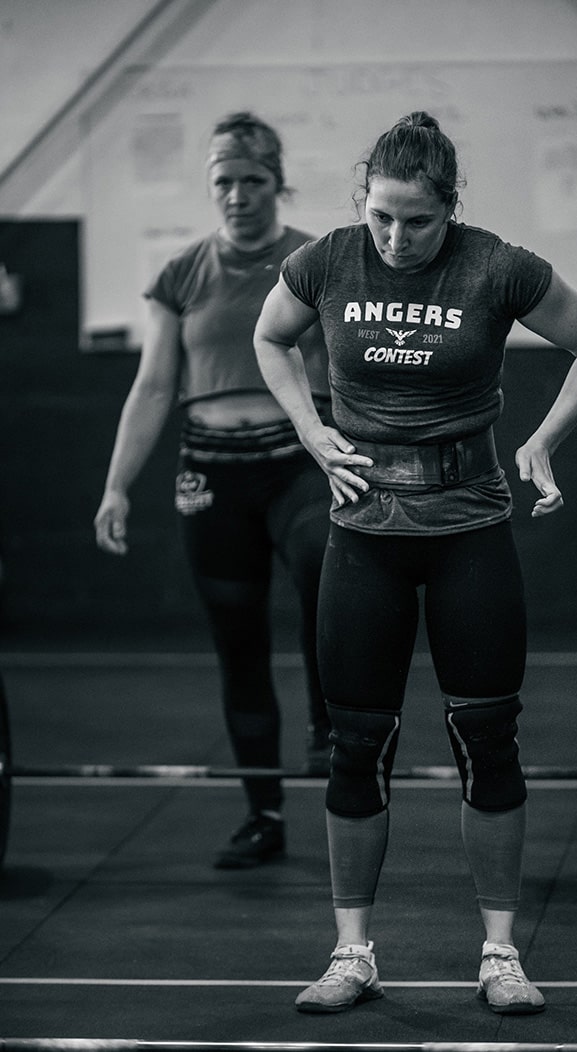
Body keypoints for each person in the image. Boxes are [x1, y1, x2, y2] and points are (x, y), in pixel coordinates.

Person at [253, 111, 577, 1014]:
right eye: (382, 216)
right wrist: (311, 430)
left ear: (450, 209)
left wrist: (541, 444)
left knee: (487, 740)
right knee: (356, 746)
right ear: (361, 201)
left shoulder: (498, 266)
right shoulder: (326, 261)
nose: (396, 237)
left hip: (469, 526)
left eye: (417, 220)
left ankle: (499, 953)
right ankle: (352, 952)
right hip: (364, 529)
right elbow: (270, 338)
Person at [94, 112, 333, 869]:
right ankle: (263, 814)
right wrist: (116, 487)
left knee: (325, 572)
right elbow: (154, 385)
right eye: (223, 182)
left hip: (299, 463)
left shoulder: (317, 259)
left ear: (277, 182)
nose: (237, 195)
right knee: (239, 645)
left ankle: (329, 729)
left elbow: (354, 370)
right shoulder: (180, 274)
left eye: (253, 180)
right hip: (211, 474)